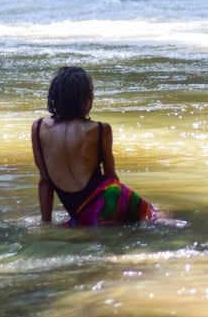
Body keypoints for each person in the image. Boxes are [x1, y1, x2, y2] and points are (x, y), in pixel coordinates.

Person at [32, 65, 156, 227]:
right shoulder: (100, 129)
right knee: (156, 218)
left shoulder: (38, 127)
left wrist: (45, 224)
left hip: (79, 210)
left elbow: (45, 182)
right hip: (108, 199)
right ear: (84, 99)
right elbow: (111, 177)